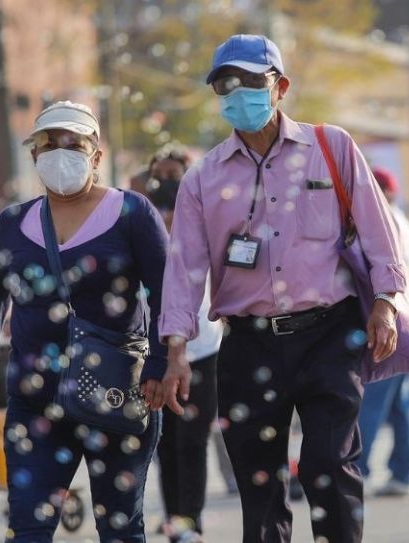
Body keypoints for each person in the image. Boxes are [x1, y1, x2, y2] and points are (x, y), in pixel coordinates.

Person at [158, 34, 407, 543]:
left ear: (281, 86)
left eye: (251, 80)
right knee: (258, 481)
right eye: (225, 83)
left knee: (327, 463)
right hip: (248, 344)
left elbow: (381, 233)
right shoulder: (202, 179)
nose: (237, 92)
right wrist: (176, 348)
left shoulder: (331, 147)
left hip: (330, 336)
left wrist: (385, 303)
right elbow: (183, 272)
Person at [0, 101, 180, 542]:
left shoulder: (132, 213)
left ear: (96, 154)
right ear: (34, 156)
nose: (60, 152)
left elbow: (166, 293)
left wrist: (160, 364)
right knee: (29, 529)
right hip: (35, 399)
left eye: (73, 144)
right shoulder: (12, 224)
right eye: (48, 144)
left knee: (119, 527)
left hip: (116, 395)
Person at [144, 146, 225, 543]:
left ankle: (190, 519)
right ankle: (175, 516)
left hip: (202, 348)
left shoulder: (209, 216)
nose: (168, 181)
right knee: (163, 441)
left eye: (175, 173)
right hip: (157, 350)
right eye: (160, 174)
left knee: (192, 440)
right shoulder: (144, 220)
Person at [355, 166, 409, 498]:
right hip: (406, 317)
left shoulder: (385, 220)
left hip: (389, 317)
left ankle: (360, 469)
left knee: (372, 401)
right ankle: (403, 472)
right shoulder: (402, 220)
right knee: (400, 406)